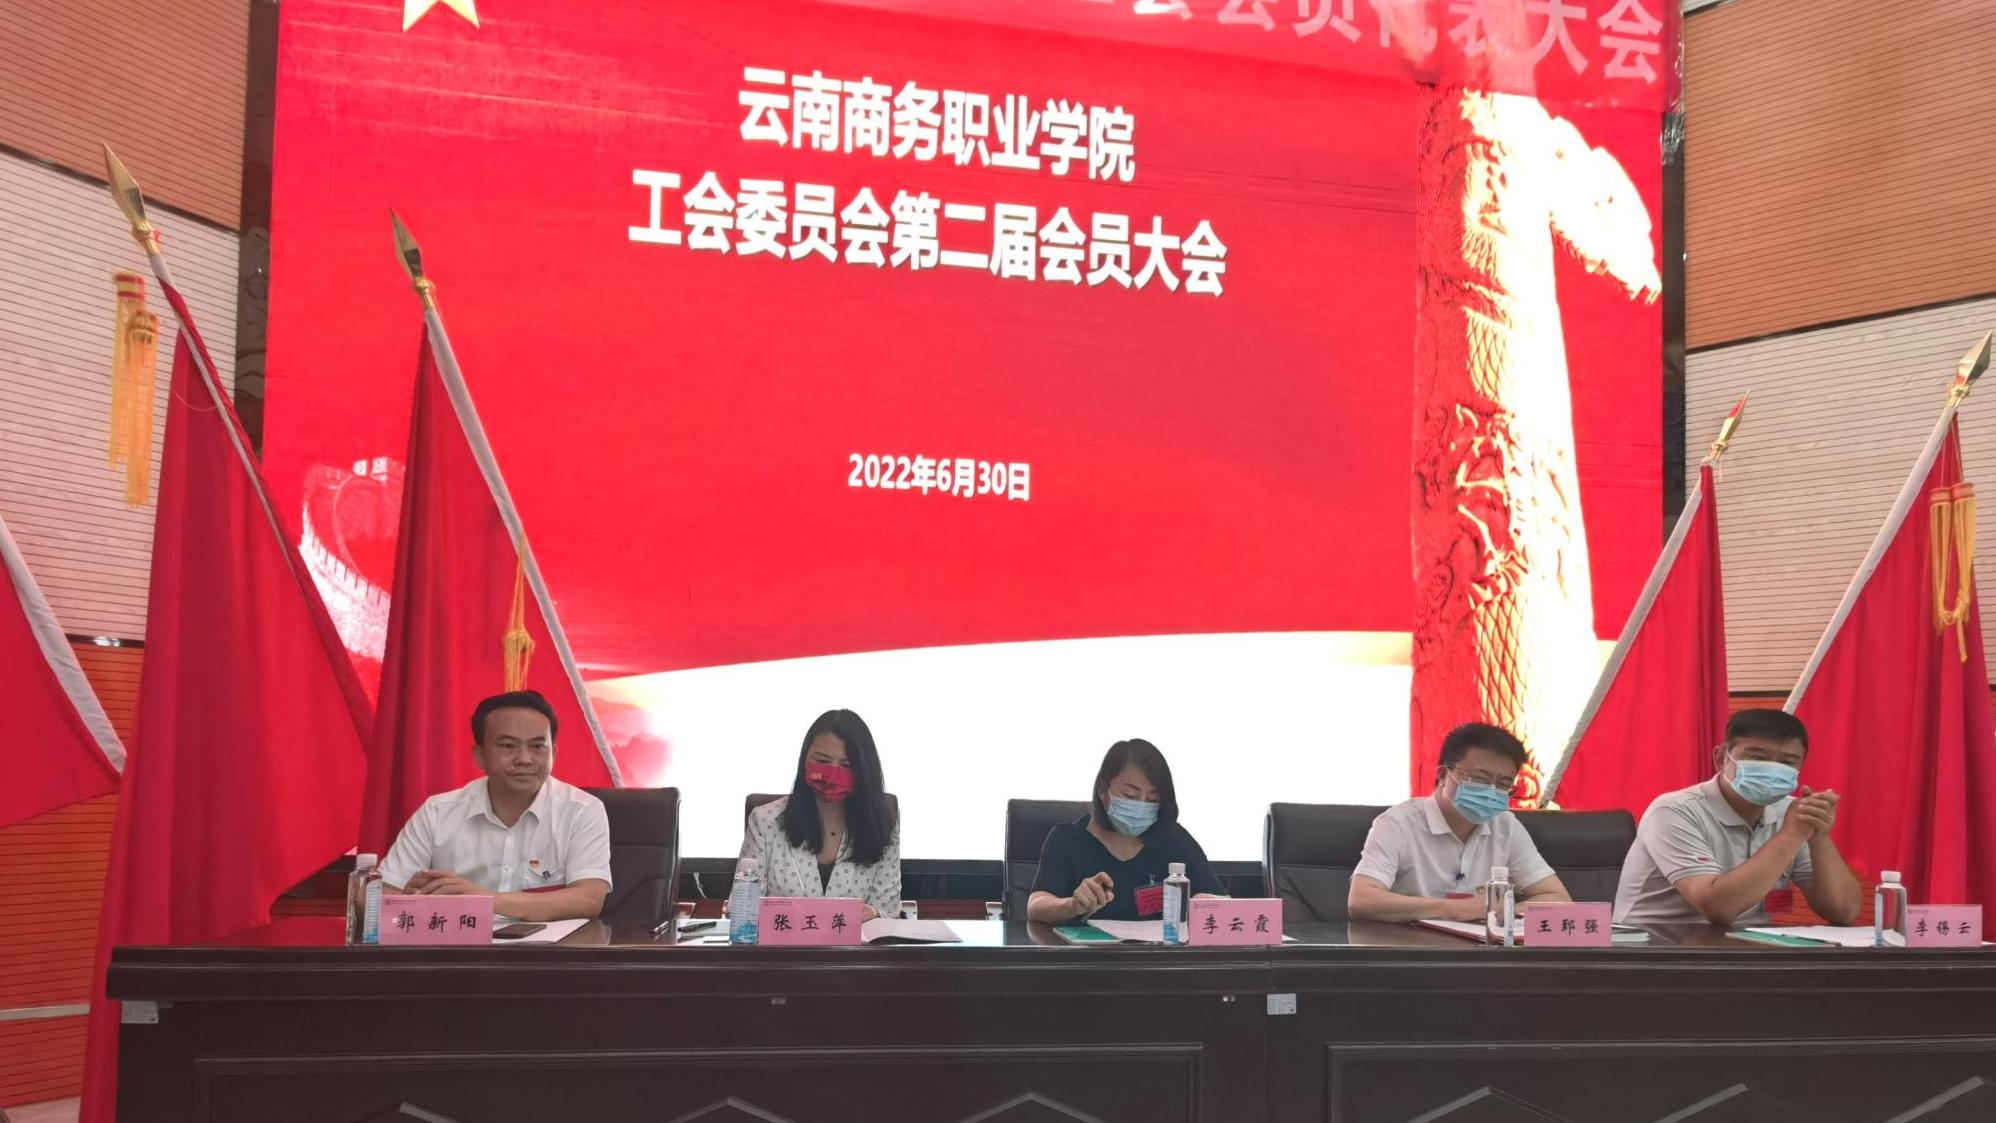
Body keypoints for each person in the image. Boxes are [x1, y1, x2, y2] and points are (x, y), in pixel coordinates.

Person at [380, 690, 612, 922]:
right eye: (508, 746)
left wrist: (482, 900)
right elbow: (381, 894)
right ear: (479, 755)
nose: (525, 759)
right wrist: (413, 899)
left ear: (554, 753)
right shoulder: (438, 812)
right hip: (457, 943)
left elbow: (588, 899)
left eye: (537, 746)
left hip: (549, 945)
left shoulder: (581, 810)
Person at [1615, 708, 1860, 928]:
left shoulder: (1792, 814)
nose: (1772, 770)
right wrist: (1791, 836)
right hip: (1658, 946)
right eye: (1757, 757)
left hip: (1748, 946)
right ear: (1721, 757)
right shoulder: (1674, 810)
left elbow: (1844, 912)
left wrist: (1819, 838)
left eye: (1787, 762)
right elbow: (1717, 908)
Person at [1348, 722, 1570, 923]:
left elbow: (1558, 899)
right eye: (1479, 779)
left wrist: (1501, 912)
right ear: (1443, 775)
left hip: (1483, 947)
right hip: (1411, 947)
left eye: (1503, 784)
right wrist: (1456, 909)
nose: (1490, 792)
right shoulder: (1397, 823)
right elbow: (1362, 900)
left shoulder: (1506, 826)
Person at [1028, 739, 1225, 924]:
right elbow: (1036, 905)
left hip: (1157, 950)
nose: (1141, 807)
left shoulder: (1173, 838)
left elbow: (1221, 898)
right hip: (1086, 950)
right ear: (1103, 790)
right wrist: (1072, 905)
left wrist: (1206, 903)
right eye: (1130, 795)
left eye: (1152, 799)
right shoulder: (1067, 839)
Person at [738, 709, 901, 920]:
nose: (832, 774)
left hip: (856, 942)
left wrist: (874, 914)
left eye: (846, 766)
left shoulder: (883, 825)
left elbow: (888, 911)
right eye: (822, 761)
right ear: (805, 758)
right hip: (782, 941)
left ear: (864, 770)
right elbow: (744, 912)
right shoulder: (765, 820)